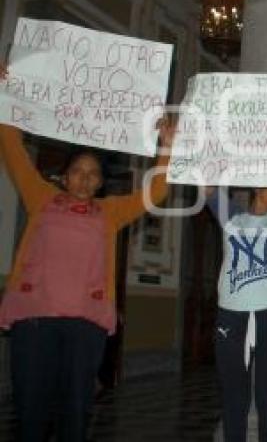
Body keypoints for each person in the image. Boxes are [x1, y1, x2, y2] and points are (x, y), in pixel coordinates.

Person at [0, 63, 175, 442]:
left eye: (93, 173)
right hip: (35, 321)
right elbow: (11, 147)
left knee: (75, 411)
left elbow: (156, 192)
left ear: (100, 182)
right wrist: (5, 95)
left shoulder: (110, 212)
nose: (85, 177)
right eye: (78, 170)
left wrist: (167, 147)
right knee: (30, 411)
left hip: (85, 326)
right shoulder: (40, 197)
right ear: (64, 176)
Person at [204, 185, 267, 442]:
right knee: (234, 398)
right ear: (258, 186)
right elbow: (207, 187)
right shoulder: (232, 219)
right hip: (233, 318)